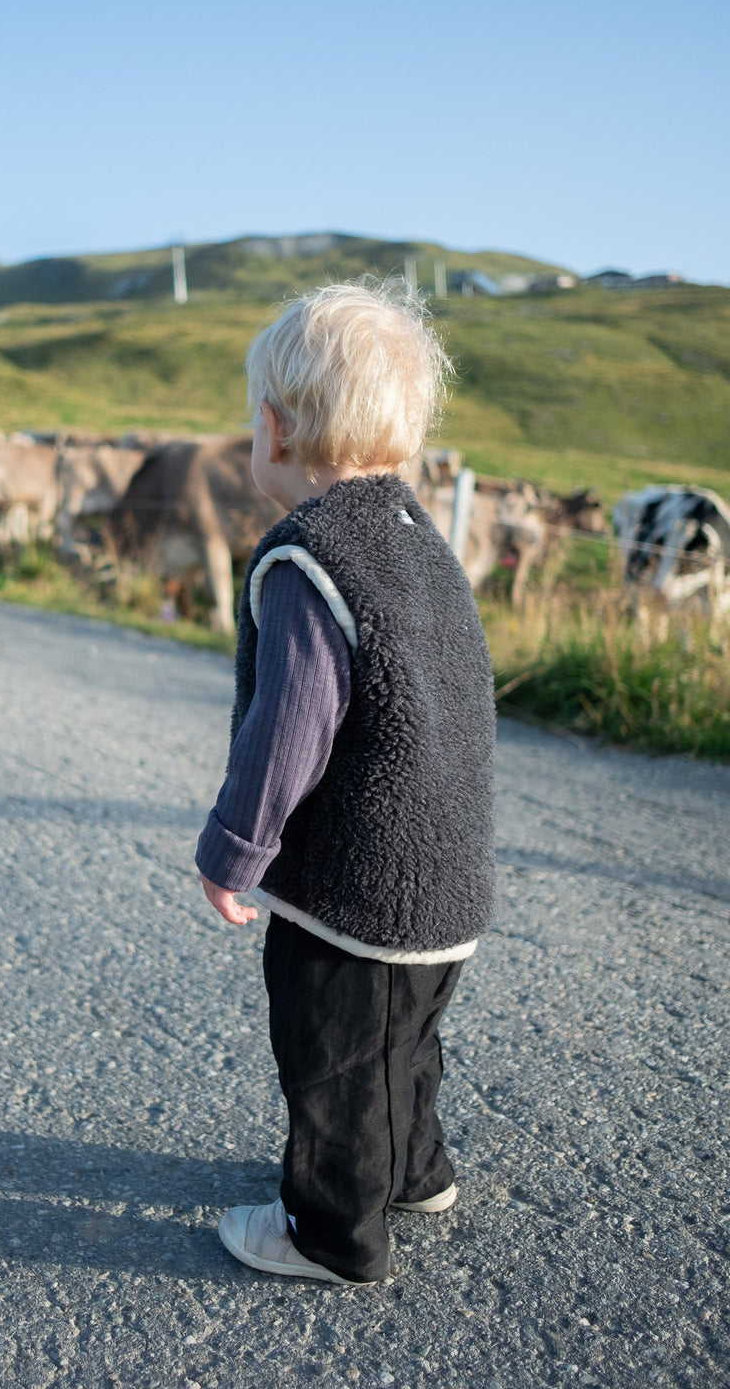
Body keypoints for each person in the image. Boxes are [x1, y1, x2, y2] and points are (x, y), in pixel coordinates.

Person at [195, 278, 496, 1287]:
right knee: (403, 1045)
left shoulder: (307, 560)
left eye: (253, 421)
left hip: (358, 888)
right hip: (448, 879)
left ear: (273, 430)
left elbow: (288, 731)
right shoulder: (422, 548)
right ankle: (415, 1171)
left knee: (329, 1057)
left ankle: (331, 1231)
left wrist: (236, 852)